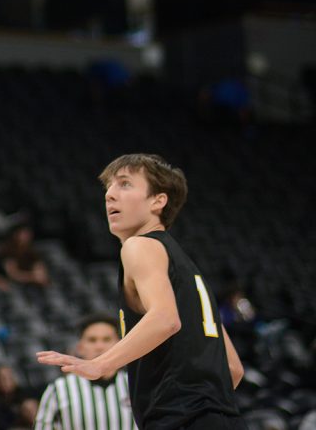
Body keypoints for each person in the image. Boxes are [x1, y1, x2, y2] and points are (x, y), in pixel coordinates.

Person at [38, 154, 245, 429]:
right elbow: (233, 369)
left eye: (124, 184)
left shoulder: (139, 246)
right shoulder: (188, 270)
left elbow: (165, 319)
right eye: (108, 187)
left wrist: (100, 364)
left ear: (158, 201)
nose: (110, 195)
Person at [34, 314, 135, 430]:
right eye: (92, 340)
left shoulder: (135, 385)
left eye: (107, 339)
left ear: (120, 345)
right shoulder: (59, 388)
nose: (99, 346)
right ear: (80, 348)